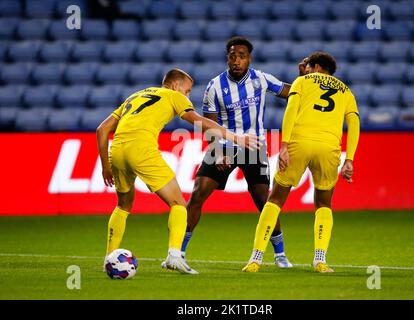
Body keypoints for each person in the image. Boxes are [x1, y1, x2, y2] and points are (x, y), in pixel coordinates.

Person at [96, 68, 259, 275]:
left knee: (123, 205)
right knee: (178, 204)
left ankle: (109, 257)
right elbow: (199, 121)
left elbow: (102, 129)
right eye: (187, 91)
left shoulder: (135, 96)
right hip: (141, 149)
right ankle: (174, 256)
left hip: (117, 151)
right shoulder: (174, 96)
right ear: (175, 85)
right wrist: (236, 138)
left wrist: (105, 166)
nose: (187, 96)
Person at [242, 51, 360, 273]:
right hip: (328, 148)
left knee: (275, 199)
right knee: (324, 204)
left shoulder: (301, 81)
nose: (303, 68)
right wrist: (350, 159)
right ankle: (320, 260)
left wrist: (284, 146)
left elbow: (291, 110)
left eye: (307, 65)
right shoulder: (346, 90)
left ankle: (256, 258)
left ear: (315, 67)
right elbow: (354, 124)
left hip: (300, 143)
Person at [181, 36, 294, 268]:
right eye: (232, 56)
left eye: (241, 56)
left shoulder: (261, 79)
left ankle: (280, 254)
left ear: (249, 59)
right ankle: (178, 252)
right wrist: (217, 150)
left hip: (254, 147)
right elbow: (208, 123)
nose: (236, 60)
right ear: (227, 58)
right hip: (223, 147)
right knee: (197, 195)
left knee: (265, 201)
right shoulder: (214, 87)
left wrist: (307, 81)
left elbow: (291, 92)